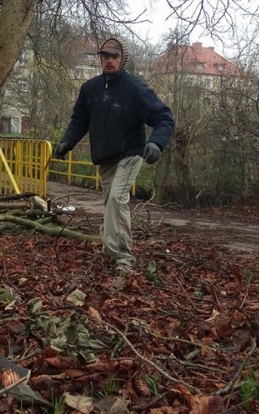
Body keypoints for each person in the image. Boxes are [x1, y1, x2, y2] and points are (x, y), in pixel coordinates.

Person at [54, 37, 174, 270]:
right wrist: (67, 141)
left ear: (123, 59)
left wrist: (157, 143)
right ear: (100, 59)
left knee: (117, 199)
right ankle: (111, 249)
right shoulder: (90, 89)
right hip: (105, 157)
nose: (109, 61)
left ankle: (124, 257)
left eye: (114, 56)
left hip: (130, 153)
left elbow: (164, 117)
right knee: (110, 203)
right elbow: (79, 120)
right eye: (105, 56)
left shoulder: (134, 89)